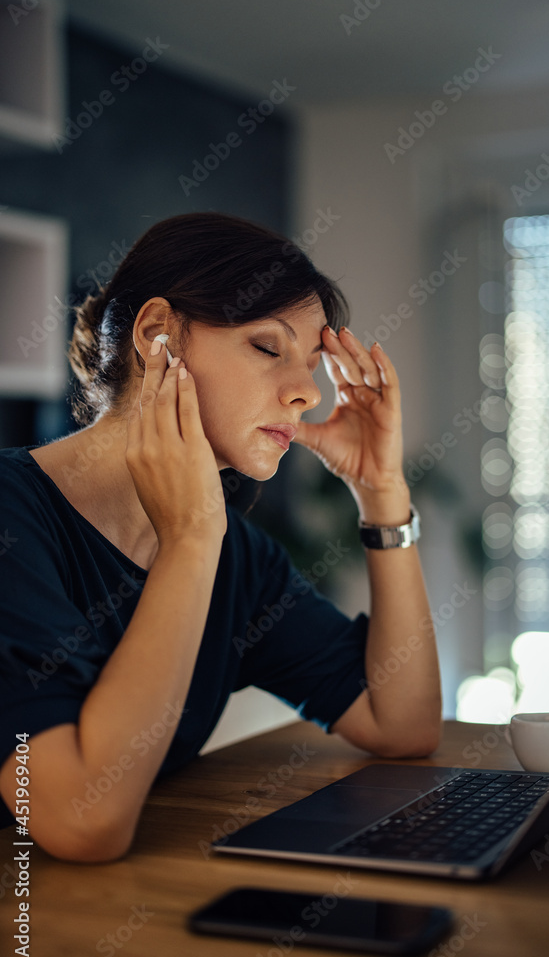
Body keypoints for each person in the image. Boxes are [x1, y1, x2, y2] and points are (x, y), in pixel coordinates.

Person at [0, 211, 441, 863]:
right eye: (267, 348)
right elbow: (79, 820)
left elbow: (401, 723)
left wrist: (382, 494)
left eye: (315, 366)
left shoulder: (235, 555)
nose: (303, 394)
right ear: (156, 336)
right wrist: (189, 541)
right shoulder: (15, 517)